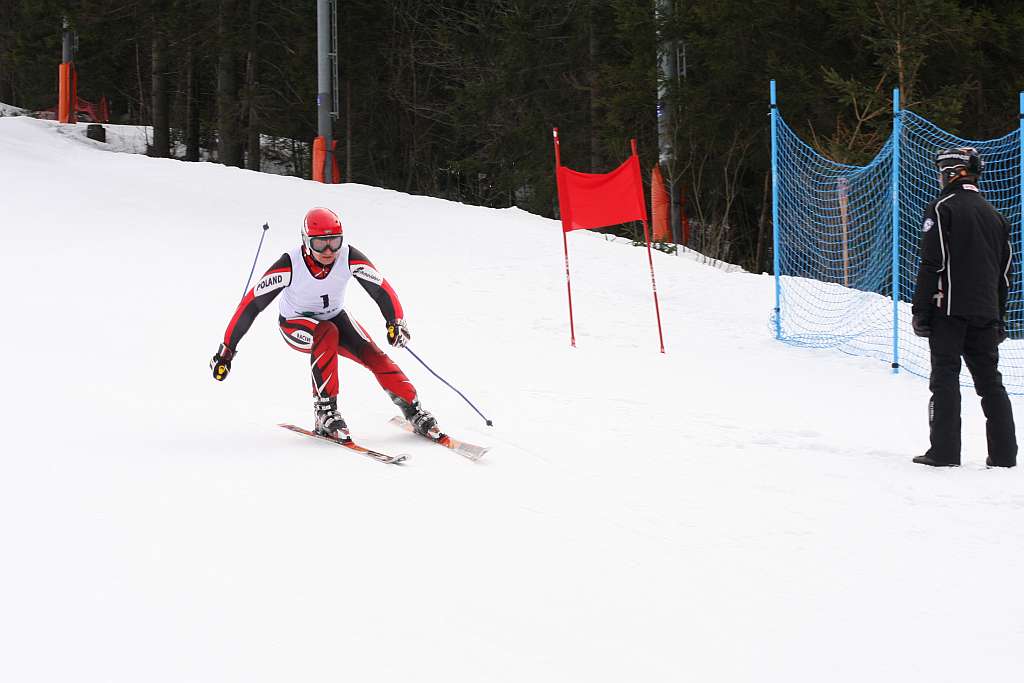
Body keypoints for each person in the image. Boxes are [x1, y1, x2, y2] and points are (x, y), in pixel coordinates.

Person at [210, 207, 441, 441]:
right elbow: (251, 305)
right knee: (326, 331)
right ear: (306, 242)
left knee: (373, 354)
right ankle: (325, 412)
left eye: (335, 242)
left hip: (334, 315)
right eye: (320, 244)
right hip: (294, 323)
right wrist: (226, 352)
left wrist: (395, 322)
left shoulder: (348, 256)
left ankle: (413, 409)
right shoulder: (290, 263)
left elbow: (381, 289)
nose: (329, 250)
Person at [911, 147, 1016, 468]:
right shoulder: (995, 215)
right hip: (986, 313)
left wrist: (921, 309)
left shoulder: (942, 208)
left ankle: (943, 452)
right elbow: (1006, 274)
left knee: (945, 377)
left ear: (951, 172)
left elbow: (932, 262)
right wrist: (1000, 318)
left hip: (949, 310)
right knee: (990, 384)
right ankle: (1003, 456)